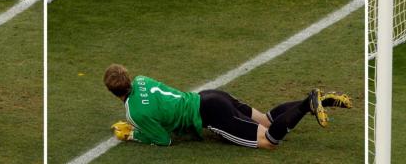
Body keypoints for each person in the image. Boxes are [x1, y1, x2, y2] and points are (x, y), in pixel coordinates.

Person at [103, 63, 351, 149]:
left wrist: (134, 134)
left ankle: (308, 102)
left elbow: (163, 140)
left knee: (269, 141)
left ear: (113, 92)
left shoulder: (134, 112)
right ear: (128, 76)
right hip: (209, 96)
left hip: (211, 114)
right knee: (266, 120)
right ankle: (313, 101)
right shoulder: (142, 80)